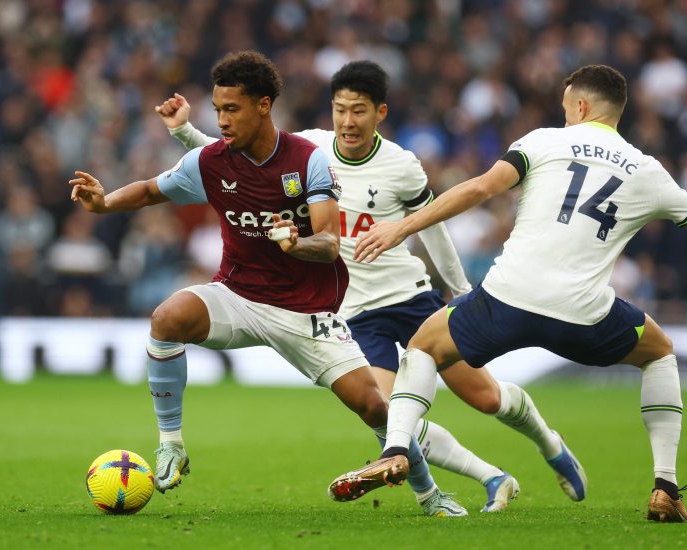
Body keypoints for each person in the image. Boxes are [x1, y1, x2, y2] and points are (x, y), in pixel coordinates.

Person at [157, 60, 585, 513]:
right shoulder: (309, 149)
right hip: (356, 313)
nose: (347, 121)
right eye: (340, 109)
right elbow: (233, 160)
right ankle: (493, 477)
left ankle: (550, 444)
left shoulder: (401, 165)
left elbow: (432, 227)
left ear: (379, 113)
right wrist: (184, 132)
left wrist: (459, 290)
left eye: (358, 111)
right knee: (390, 414)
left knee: (485, 396)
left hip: (410, 298)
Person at [70, 50, 462, 517]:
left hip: (305, 310)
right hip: (238, 295)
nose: (221, 121)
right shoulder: (210, 161)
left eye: (231, 109)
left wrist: (297, 244)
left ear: (264, 104)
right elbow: (153, 190)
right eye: (216, 110)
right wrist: (105, 203)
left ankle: (428, 493)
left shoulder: (308, 161)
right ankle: (171, 443)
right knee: (167, 318)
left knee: (376, 408)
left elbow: (330, 243)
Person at [342, 64, 687, 523]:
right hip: (584, 314)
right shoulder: (649, 171)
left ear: (580, 106)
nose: (564, 115)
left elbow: (481, 188)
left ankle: (397, 448)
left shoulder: (542, 141)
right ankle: (665, 486)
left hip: (506, 300)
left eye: (567, 107)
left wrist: (402, 226)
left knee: (424, 346)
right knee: (660, 351)